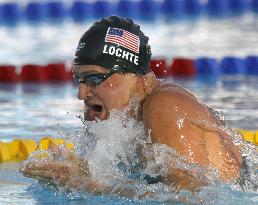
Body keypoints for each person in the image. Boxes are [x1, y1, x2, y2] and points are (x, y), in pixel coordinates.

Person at [20, 16, 242, 194]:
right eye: (79, 79)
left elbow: (194, 197)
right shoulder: (127, 118)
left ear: (135, 76)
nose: (81, 93)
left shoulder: (165, 106)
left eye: (95, 79)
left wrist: (95, 186)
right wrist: (81, 174)